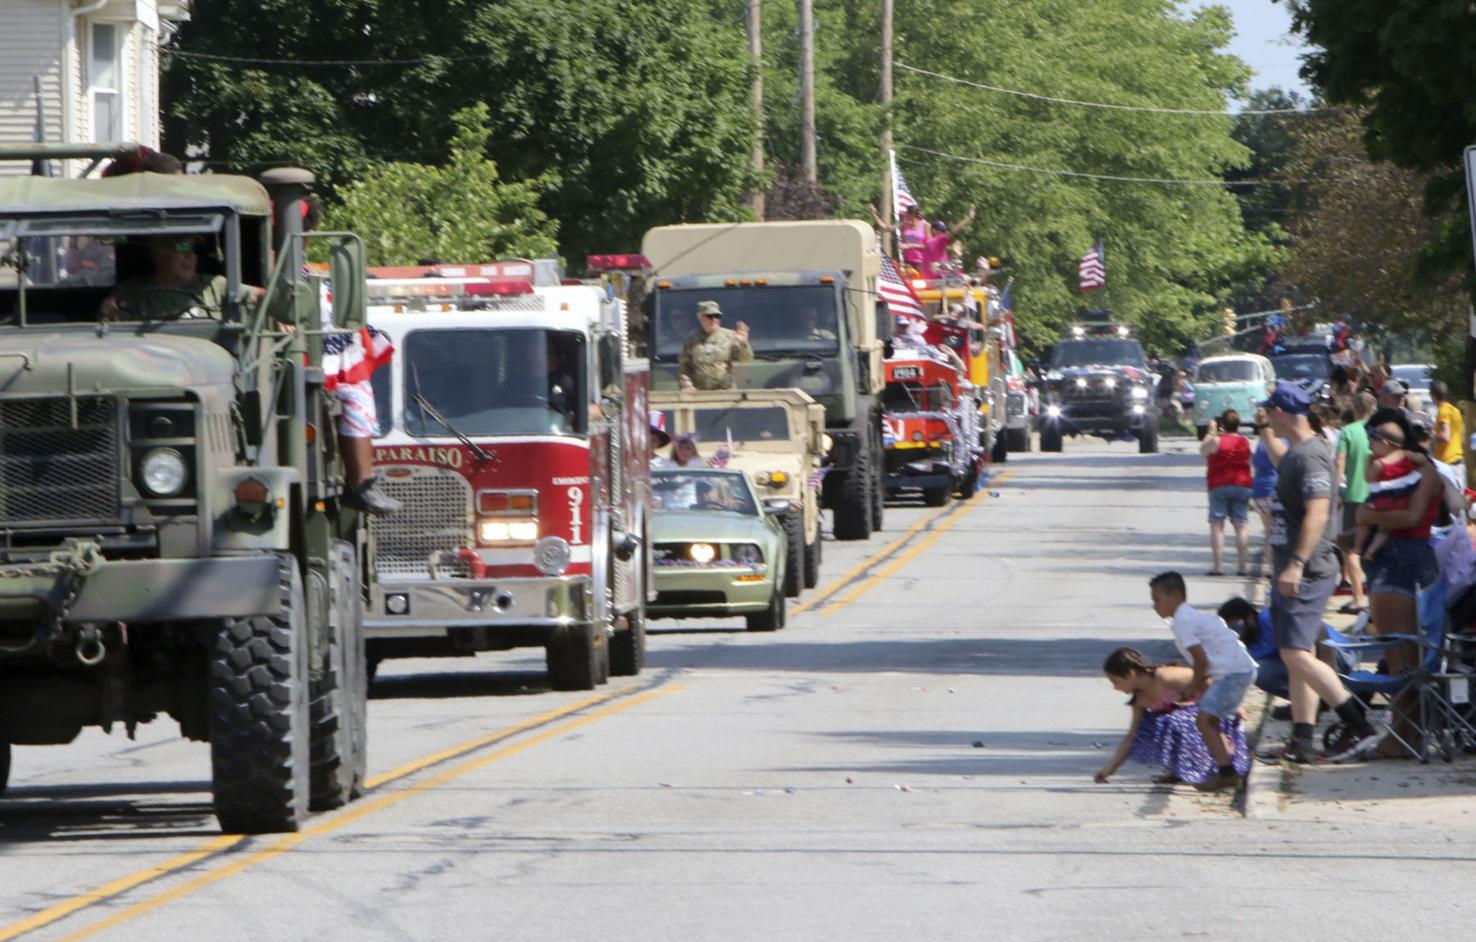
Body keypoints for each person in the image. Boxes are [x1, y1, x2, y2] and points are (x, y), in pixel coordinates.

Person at [1261, 381, 1380, 763]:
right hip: (1291, 569)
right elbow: (1282, 462)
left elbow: (1318, 512)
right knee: (1299, 654)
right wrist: (1262, 431)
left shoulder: (1311, 456)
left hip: (1307, 570)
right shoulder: (1297, 453)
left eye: (1269, 411)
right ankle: (1302, 740)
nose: (1267, 417)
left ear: (1282, 412)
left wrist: (1296, 564)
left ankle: (1358, 722)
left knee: (1295, 654)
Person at [1148, 572, 1258, 791]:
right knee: (1210, 720)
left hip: (1233, 673)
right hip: (1237, 669)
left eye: (1157, 599)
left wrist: (1191, 687)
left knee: (1205, 721)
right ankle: (1228, 770)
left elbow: (1201, 660)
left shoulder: (1182, 623)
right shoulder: (1189, 618)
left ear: (1174, 596)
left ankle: (1227, 772)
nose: (1154, 606)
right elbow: (1207, 659)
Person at [1094, 647, 1249, 787]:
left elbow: (1207, 680)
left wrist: (1234, 705)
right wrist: (1109, 769)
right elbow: (1131, 736)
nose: (1115, 687)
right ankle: (1180, 769)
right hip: (1193, 723)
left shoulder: (1166, 677)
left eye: (1115, 681)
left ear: (1130, 673)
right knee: (1150, 726)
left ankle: (1222, 767)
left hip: (1214, 716)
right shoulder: (1140, 700)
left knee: (1174, 722)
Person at [1218, 596, 1356, 708]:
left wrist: (1329, 675)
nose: (1237, 634)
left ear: (1250, 617)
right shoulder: (1249, 645)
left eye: (1238, 627)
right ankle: (1308, 704)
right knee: (1256, 672)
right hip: (1311, 665)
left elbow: (1318, 629)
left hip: (1337, 654)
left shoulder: (1270, 618)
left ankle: (1326, 698)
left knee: (1296, 658)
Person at [99, 234, 259, 322]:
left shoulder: (216, 286)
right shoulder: (129, 292)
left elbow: (259, 296)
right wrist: (109, 313)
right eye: (183, 247)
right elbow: (110, 335)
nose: (190, 255)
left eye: (193, 248)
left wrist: (268, 302)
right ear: (159, 252)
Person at [1334, 392, 1377, 615]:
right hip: (1377, 496)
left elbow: (1339, 463)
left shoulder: (1347, 431)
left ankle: (1358, 597)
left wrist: (1336, 491)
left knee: (1350, 547)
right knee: (1374, 546)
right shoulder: (1378, 431)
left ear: (1355, 408)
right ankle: (1374, 598)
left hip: (1354, 494)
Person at [1199, 409, 1253, 576]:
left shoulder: (1216, 440)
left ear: (1222, 424)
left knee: (1217, 525)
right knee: (1241, 526)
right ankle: (1242, 567)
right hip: (1242, 484)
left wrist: (1210, 432)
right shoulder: (1244, 441)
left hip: (1219, 484)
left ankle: (1218, 566)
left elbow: (1203, 451)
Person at [678, 300, 752, 391]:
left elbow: (745, 359)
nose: (714, 319)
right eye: (709, 316)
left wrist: (743, 343)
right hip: (699, 392)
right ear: (700, 317)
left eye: (717, 316)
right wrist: (686, 383)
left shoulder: (730, 336)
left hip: (725, 392)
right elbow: (684, 366)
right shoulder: (691, 340)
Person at [919, 207, 976, 278]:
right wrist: (967, 219)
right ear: (933, 230)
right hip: (940, 276)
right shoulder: (939, 239)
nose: (943, 233)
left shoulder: (925, 241)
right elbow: (953, 231)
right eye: (941, 230)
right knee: (964, 276)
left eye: (944, 231)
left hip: (929, 277)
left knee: (962, 273)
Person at [1431, 379, 1464, 468]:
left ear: (1432, 396)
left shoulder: (1443, 411)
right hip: (1459, 460)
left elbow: (1445, 436)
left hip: (1448, 462)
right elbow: (1461, 438)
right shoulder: (1456, 411)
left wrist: (1431, 435)